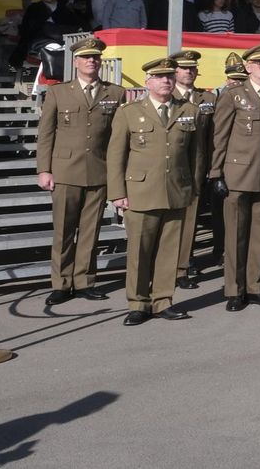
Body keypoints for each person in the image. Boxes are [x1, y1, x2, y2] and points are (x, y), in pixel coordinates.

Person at [105, 56, 199, 326]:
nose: (166, 81)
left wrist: (191, 186)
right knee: (140, 252)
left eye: (169, 76)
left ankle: (162, 300)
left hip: (175, 190)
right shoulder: (129, 112)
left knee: (169, 251)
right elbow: (116, 156)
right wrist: (117, 193)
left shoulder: (189, 110)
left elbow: (195, 155)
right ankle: (138, 303)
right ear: (148, 82)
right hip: (140, 192)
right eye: (160, 77)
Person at [35, 36, 126, 306]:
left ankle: (85, 280)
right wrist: (44, 170)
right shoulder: (58, 92)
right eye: (86, 57)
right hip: (65, 170)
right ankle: (61, 283)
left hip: (98, 170)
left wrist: (116, 174)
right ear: (76, 62)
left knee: (90, 231)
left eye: (96, 57)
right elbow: (46, 134)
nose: (92, 61)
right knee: (63, 231)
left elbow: (117, 138)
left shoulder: (116, 93)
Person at [209, 43, 260, 311]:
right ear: (249, 67)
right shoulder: (233, 94)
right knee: (236, 236)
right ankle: (234, 290)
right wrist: (216, 172)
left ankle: (256, 286)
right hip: (237, 174)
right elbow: (220, 136)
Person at [168, 50, 217, 289]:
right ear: (174, 71)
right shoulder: (166, 95)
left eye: (193, 68)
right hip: (169, 168)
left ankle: (182, 267)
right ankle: (167, 265)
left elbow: (215, 136)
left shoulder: (208, 98)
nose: (189, 71)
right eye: (184, 67)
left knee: (190, 220)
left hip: (198, 167)